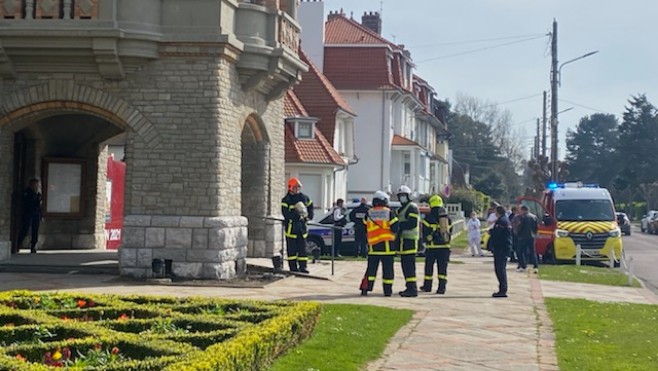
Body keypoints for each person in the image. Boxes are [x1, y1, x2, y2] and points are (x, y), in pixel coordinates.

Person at [361, 191, 399, 297]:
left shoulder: (369, 213)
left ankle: (365, 289)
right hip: (387, 247)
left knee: (371, 270)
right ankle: (387, 291)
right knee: (388, 271)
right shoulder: (389, 212)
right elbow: (395, 227)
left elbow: (364, 225)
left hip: (373, 247)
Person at [281, 177, 314, 273]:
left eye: (299, 187)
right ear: (290, 187)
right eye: (296, 187)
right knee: (292, 250)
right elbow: (286, 213)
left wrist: (309, 216)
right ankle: (293, 268)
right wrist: (296, 216)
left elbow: (310, 206)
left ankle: (303, 267)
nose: (297, 189)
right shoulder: (286, 200)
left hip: (302, 228)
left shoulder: (303, 197)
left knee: (302, 249)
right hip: (291, 228)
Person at [421, 194, 452, 294]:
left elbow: (425, 232)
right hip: (445, 247)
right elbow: (450, 231)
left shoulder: (428, 217)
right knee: (442, 269)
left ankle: (427, 286)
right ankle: (441, 288)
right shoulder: (447, 218)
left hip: (432, 247)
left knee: (429, 268)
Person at [396, 185, 420, 297]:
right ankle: (409, 287)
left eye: (404, 196)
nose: (402, 198)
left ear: (409, 196)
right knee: (405, 265)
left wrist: (399, 225)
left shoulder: (412, 207)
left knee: (409, 266)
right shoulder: (402, 209)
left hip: (410, 241)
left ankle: (412, 289)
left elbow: (412, 223)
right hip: (403, 241)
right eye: (400, 196)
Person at [489, 205, 513, 298]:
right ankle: (502, 289)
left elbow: (497, 233)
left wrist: (491, 232)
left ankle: (503, 290)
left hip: (501, 248)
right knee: (500, 268)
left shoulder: (501, 221)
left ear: (498, 212)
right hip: (502, 247)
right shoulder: (505, 220)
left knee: (500, 269)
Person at [15, 178, 42, 254]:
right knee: (25, 229)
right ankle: (18, 244)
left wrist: (40, 215)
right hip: (28, 213)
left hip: (36, 213)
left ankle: (33, 246)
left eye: (37, 185)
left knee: (35, 230)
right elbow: (27, 202)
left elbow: (39, 205)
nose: (36, 186)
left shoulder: (38, 194)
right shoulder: (27, 192)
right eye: (35, 184)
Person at [516, 205, 539, 273]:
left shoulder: (523, 217)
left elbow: (520, 227)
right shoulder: (534, 217)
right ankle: (535, 266)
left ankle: (523, 266)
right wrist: (534, 233)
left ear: (523, 210)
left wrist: (518, 234)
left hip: (523, 237)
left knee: (520, 251)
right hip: (531, 236)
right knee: (532, 252)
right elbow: (536, 227)